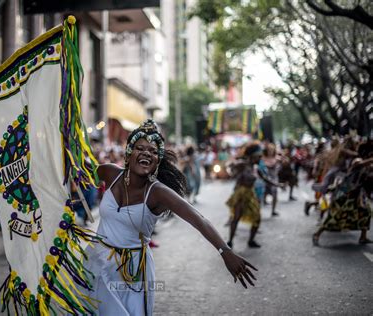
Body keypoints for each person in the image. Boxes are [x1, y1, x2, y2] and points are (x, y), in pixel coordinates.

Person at [85, 120, 257, 315]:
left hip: (132, 272)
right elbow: (76, 173)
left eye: (152, 151)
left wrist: (225, 251)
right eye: (140, 148)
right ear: (128, 153)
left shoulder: (158, 193)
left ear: (157, 161)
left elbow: (198, 219)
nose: (146, 153)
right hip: (97, 261)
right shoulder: (109, 172)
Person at [226, 143, 283, 249]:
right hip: (240, 194)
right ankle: (230, 241)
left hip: (251, 193)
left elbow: (265, 178)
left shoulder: (256, 167)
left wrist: (278, 184)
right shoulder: (242, 164)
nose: (261, 158)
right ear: (252, 155)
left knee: (257, 218)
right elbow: (229, 167)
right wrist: (232, 172)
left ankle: (251, 240)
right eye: (259, 156)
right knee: (236, 217)